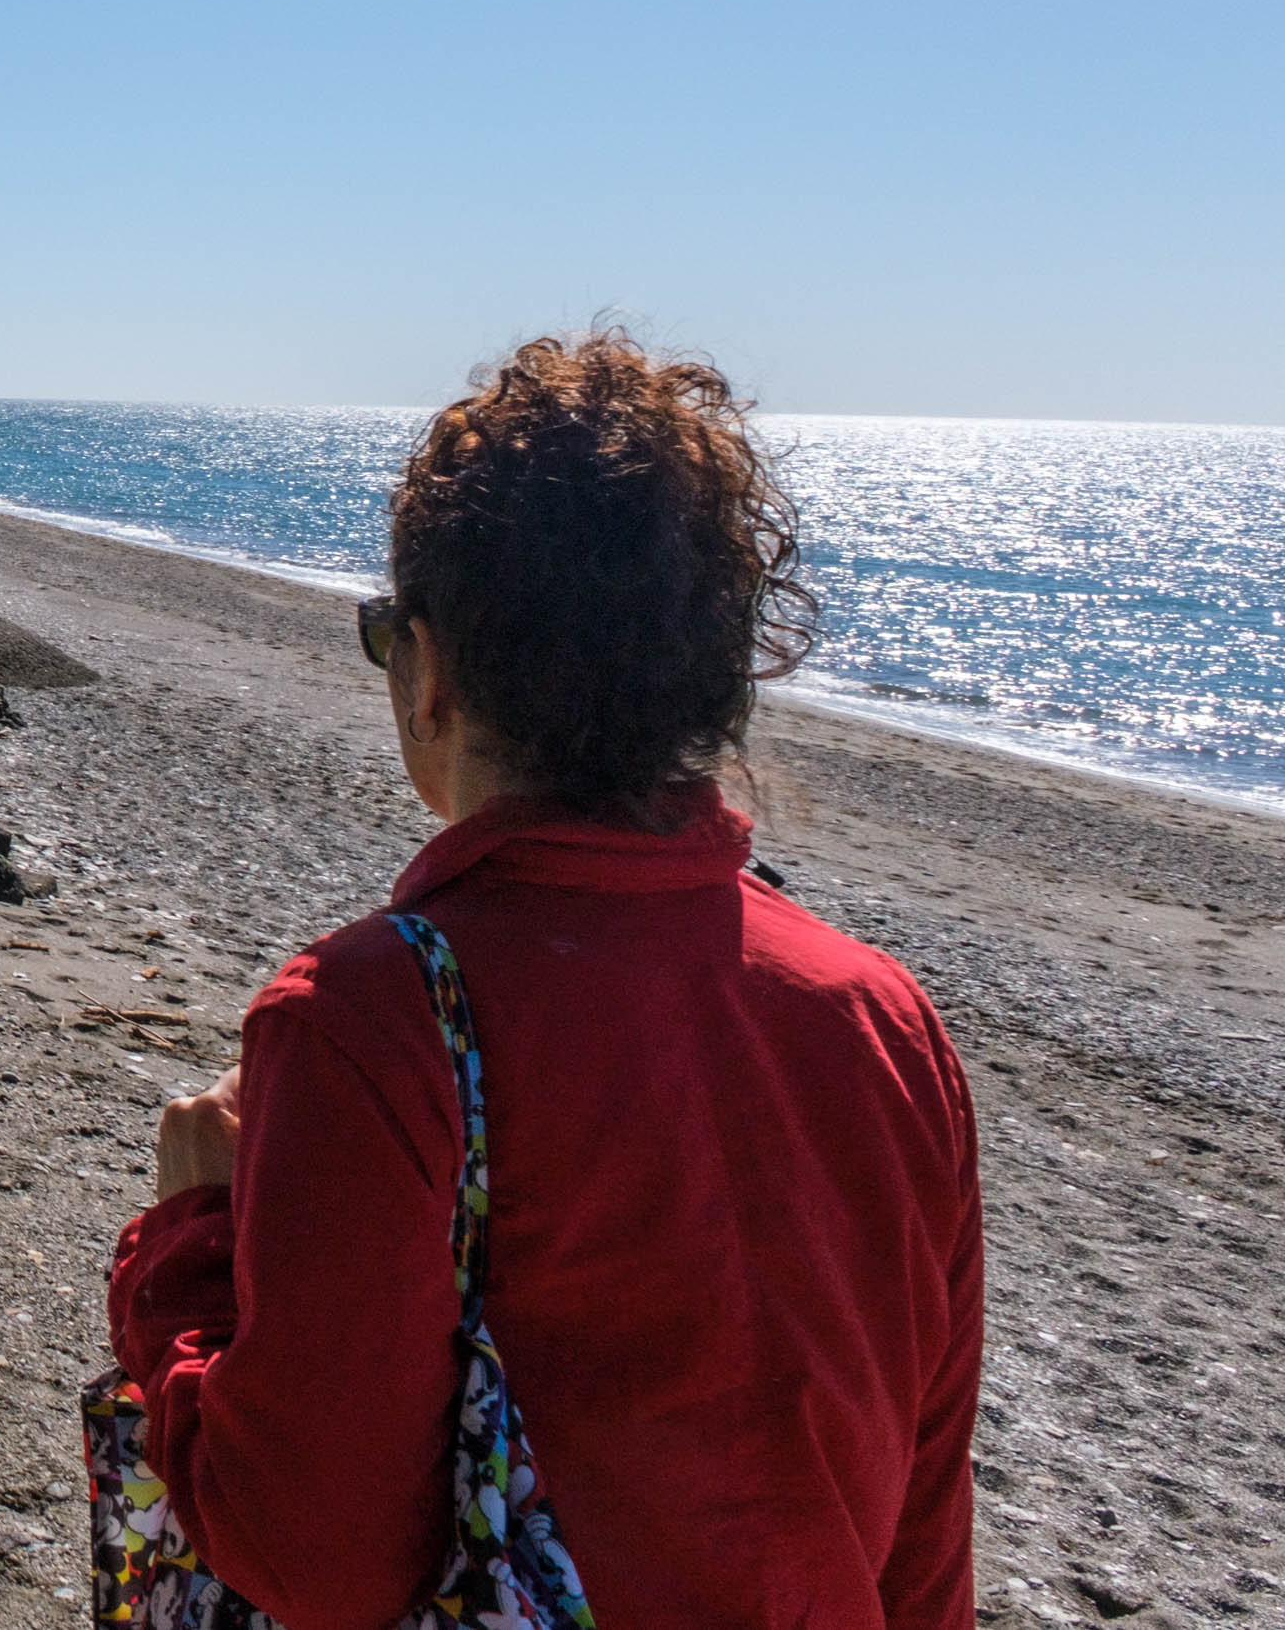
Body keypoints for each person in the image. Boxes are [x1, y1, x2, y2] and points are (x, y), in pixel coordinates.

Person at [104, 333, 983, 1626]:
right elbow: (922, 1535)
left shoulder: (368, 1016)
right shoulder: (883, 1018)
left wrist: (186, 1249)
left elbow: (311, 1552)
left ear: (437, 668)